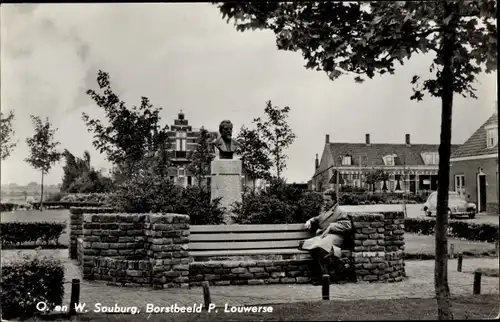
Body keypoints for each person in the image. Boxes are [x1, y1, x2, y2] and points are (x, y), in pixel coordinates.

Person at [299, 195, 352, 285]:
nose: (326, 202)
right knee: (312, 247)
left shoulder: (340, 211)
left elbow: (347, 225)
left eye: (328, 200)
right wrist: (311, 221)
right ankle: (325, 276)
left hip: (336, 237)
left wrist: (332, 226)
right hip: (324, 236)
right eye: (324, 200)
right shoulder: (324, 210)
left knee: (320, 247)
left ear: (334, 200)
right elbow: (319, 218)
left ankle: (324, 277)